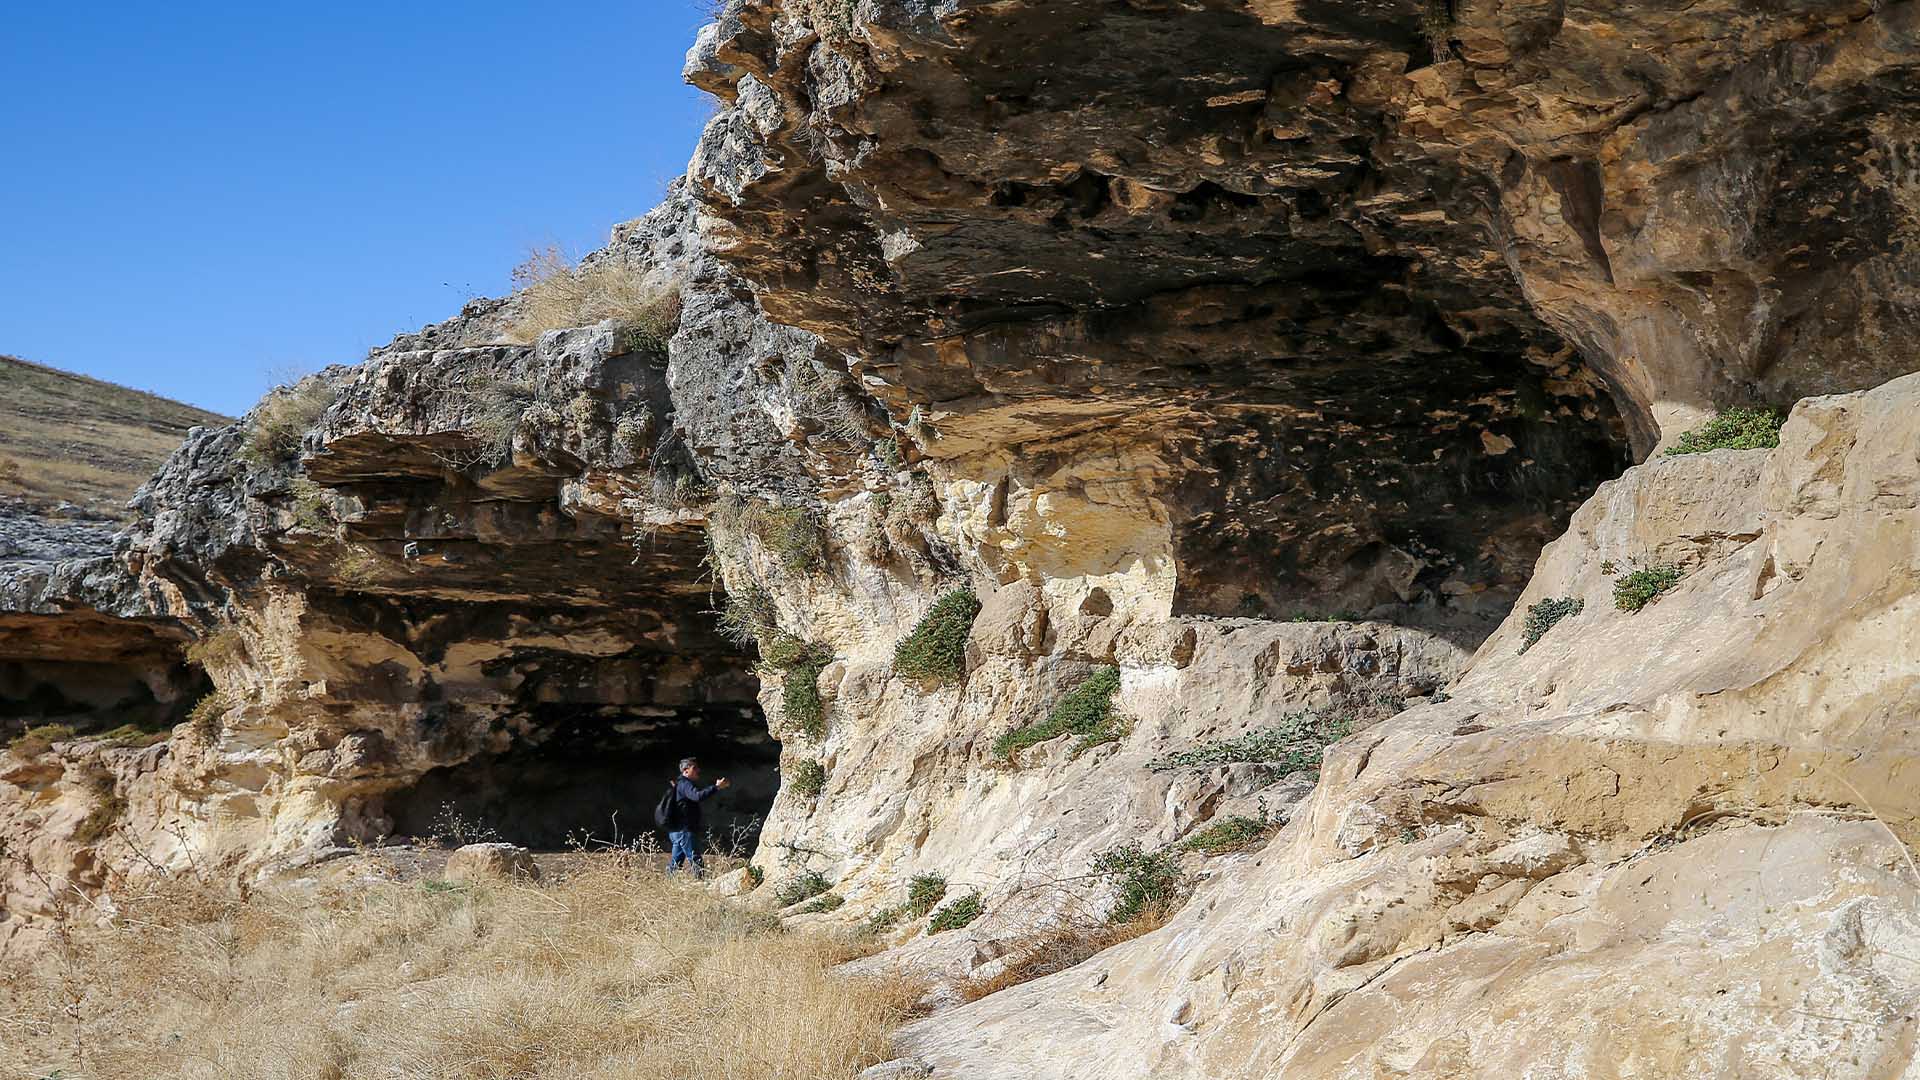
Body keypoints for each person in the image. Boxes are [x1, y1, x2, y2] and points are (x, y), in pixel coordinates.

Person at [666, 756, 730, 874]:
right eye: (694, 768)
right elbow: (697, 796)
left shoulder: (679, 784)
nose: (698, 770)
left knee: (676, 862)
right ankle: (701, 884)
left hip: (676, 830)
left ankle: (668, 883)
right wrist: (716, 787)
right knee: (695, 859)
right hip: (684, 830)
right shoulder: (684, 784)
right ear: (685, 771)